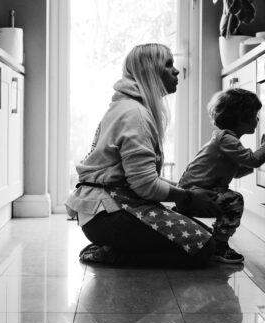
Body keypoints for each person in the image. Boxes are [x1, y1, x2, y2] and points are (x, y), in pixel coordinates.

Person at [65, 43, 222, 268]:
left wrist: (185, 192)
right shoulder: (135, 114)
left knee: (205, 236)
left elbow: (142, 179)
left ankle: (115, 247)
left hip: (104, 212)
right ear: (151, 72)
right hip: (108, 217)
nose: (176, 71)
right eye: (168, 65)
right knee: (203, 248)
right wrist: (186, 196)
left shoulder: (129, 107)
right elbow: (145, 185)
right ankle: (112, 253)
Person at [176, 88, 265, 264]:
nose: (257, 119)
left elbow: (237, 171)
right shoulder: (226, 138)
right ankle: (220, 245)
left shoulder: (224, 138)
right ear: (241, 118)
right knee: (235, 200)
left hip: (194, 192)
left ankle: (204, 232)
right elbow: (253, 160)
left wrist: (258, 158)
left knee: (230, 198)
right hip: (195, 194)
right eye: (254, 115)